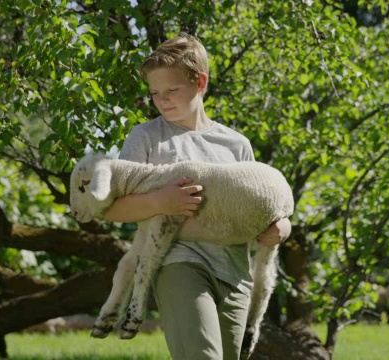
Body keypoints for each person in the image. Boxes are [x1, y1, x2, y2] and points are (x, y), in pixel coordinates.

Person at [103, 33, 291, 360]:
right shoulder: (146, 137)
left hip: (235, 274)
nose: (162, 100)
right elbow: (112, 208)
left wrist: (282, 227)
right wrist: (160, 202)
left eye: (172, 90)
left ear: (200, 82)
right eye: (155, 93)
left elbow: (261, 200)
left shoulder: (235, 144)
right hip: (178, 263)